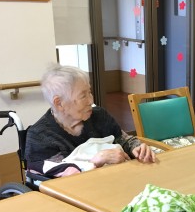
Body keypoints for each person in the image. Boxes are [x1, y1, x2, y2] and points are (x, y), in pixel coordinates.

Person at [25, 64, 155, 177]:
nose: (91, 100)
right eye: (83, 96)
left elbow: (123, 140)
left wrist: (137, 148)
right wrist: (96, 161)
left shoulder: (99, 116)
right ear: (59, 103)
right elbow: (58, 178)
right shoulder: (40, 136)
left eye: (89, 92)